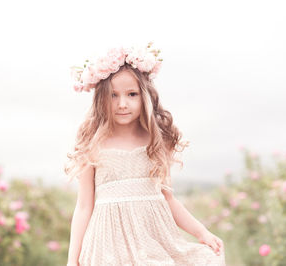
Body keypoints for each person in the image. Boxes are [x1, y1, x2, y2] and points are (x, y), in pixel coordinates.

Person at [64, 42, 226, 266]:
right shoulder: (92, 144)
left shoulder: (155, 141)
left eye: (132, 94)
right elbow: (83, 206)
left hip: (153, 243)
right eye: (113, 95)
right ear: (101, 98)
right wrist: (73, 260)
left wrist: (202, 232)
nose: (122, 104)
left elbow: (168, 199)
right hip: (107, 248)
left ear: (145, 97)